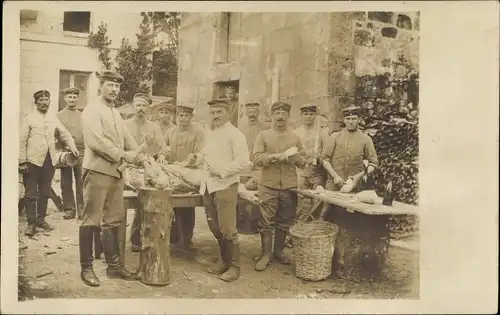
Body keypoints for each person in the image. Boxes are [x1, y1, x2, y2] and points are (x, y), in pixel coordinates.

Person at [79, 71, 142, 287]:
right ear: (101, 86)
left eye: (117, 86)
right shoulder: (92, 109)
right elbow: (95, 141)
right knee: (91, 220)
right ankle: (86, 268)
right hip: (97, 171)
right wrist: (123, 154)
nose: (114, 89)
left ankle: (114, 267)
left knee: (114, 219)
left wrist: (139, 154)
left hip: (116, 173)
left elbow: (127, 138)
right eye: (110, 85)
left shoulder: (114, 111)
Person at [320, 105, 379, 278]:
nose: (351, 122)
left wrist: (357, 178)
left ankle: (347, 264)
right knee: (327, 219)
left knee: (350, 223)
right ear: (344, 120)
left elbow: (374, 164)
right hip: (334, 185)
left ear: (359, 120)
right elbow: (324, 159)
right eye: (348, 119)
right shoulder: (335, 137)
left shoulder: (366, 139)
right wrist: (335, 176)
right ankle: (325, 260)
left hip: (355, 189)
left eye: (354, 118)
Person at [200, 99, 252, 282]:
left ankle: (234, 267)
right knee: (215, 227)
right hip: (208, 186)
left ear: (228, 113)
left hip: (225, 186)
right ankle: (224, 261)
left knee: (228, 228)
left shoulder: (235, 134)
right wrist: (196, 160)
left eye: (219, 112)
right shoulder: (212, 134)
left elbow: (244, 162)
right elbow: (206, 158)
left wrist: (222, 171)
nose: (215, 116)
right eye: (212, 112)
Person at [252, 102, 307, 271]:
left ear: (288, 117)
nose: (281, 116)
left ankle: (278, 251)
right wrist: (275, 157)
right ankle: (266, 254)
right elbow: (256, 158)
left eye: (284, 113)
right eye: (277, 113)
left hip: (289, 186)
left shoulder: (295, 138)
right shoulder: (263, 135)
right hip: (268, 184)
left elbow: (304, 162)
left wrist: (297, 159)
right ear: (272, 116)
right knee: (266, 221)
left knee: (285, 221)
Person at [19, 90, 79, 237]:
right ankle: (31, 224)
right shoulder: (29, 119)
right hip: (32, 162)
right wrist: (22, 161)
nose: (45, 102)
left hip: (49, 162)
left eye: (47, 100)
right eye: (41, 100)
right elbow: (21, 141)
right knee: (31, 193)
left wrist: (73, 148)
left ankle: (41, 220)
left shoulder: (53, 118)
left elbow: (64, 133)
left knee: (45, 192)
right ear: (36, 102)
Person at [158, 103, 205, 250]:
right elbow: (163, 148)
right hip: (172, 174)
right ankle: (173, 237)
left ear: (191, 117)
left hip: (189, 174)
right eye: (180, 115)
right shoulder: (170, 132)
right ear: (176, 116)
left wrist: (188, 162)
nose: (183, 118)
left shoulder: (198, 132)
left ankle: (187, 238)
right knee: (170, 205)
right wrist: (162, 156)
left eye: (186, 115)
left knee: (187, 207)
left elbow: (199, 153)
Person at [124, 93, 164, 253]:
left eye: (143, 106)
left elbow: (161, 148)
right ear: (133, 107)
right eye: (138, 105)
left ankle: (139, 239)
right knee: (124, 203)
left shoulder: (154, 127)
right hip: (128, 166)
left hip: (147, 168)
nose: (140, 109)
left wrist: (160, 156)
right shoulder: (124, 125)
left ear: (148, 108)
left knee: (147, 202)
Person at [293, 104, 328, 220]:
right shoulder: (296, 133)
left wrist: (320, 158)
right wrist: (300, 160)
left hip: (317, 172)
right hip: (301, 171)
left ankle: (314, 225)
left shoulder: (322, 133)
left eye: (311, 114)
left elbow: (327, 151)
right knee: (299, 198)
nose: (309, 117)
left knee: (317, 199)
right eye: (306, 114)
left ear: (315, 115)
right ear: (301, 115)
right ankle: (298, 225)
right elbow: (293, 152)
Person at [57, 87, 85, 220]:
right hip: (65, 152)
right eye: (70, 97)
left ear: (77, 99)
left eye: (74, 97)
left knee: (82, 181)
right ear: (65, 98)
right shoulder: (58, 115)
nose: (72, 99)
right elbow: (55, 134)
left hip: (81, 152)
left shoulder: (82, 115)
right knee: (66, 182)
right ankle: (69, 209)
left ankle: (82, 209)